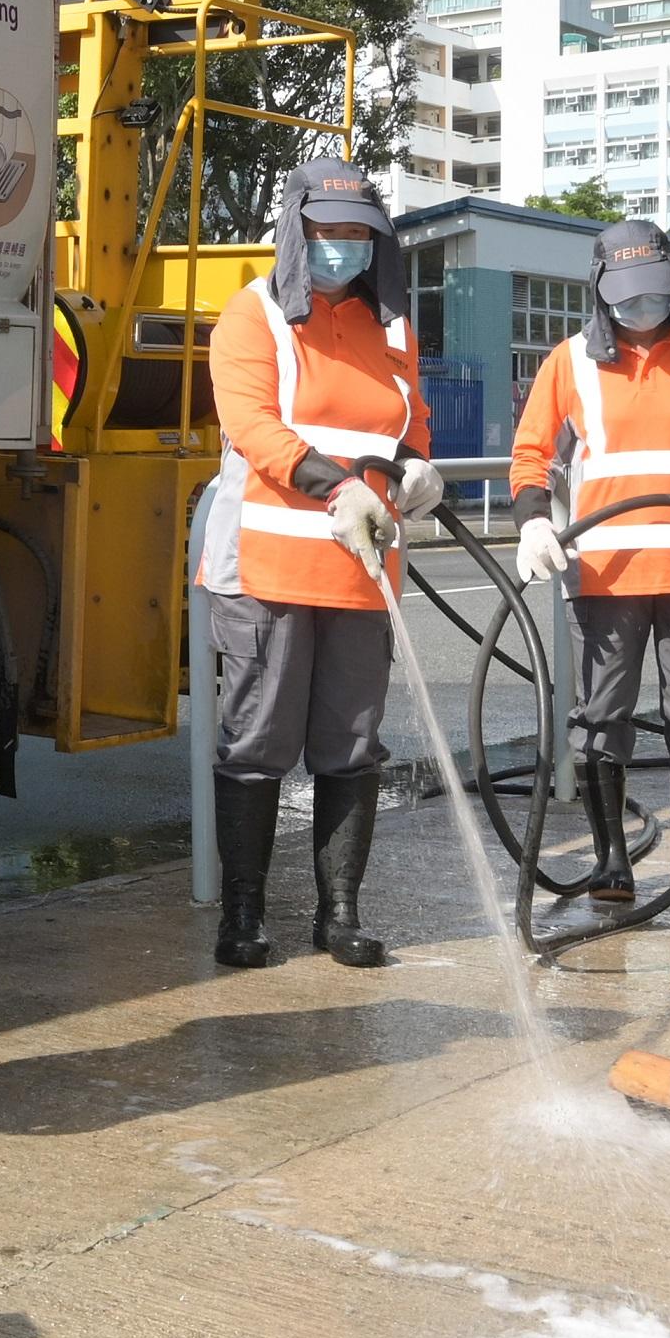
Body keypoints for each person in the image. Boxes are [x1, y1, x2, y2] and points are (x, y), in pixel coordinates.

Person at [200, 158, 443, 969]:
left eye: (359, 237)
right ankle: (244, 915)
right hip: (266, 569)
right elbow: (255, 428)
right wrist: (338, 488)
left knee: (351, 743)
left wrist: (415, 468)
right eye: (329, 235)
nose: (343, 249)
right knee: (257, 742)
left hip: (361, 570)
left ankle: (339, 913)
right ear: (298, 234)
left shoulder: (391, 325)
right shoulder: (255, 315)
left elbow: (409, 420)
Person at [506, 221, 670, 908]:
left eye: (654, 293)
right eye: (626, 295)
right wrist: (534, 517)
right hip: (603, 571)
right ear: (599, 289)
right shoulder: (569, 361)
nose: (641, 308)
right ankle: (610, 861)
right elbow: (531, 453)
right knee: (601, 715)